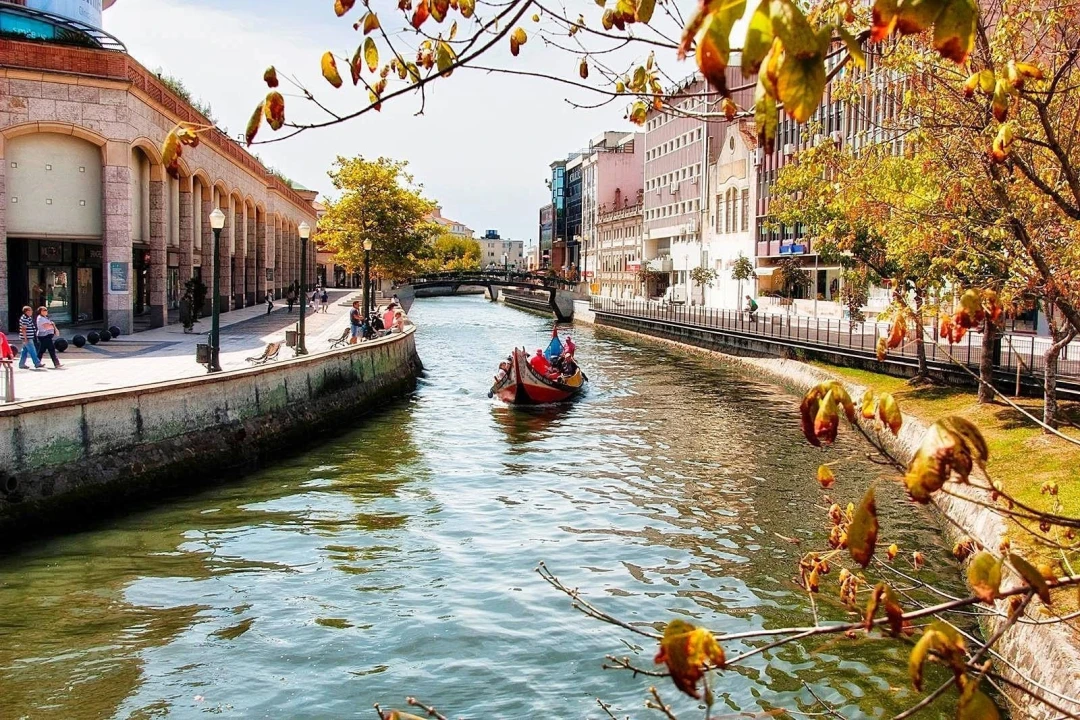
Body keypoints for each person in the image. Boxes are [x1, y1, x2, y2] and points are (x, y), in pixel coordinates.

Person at [17, 305, 44, 370]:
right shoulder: (25, 318)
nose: (32, 311)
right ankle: (37, 363)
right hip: (27, 338)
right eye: (30, 310)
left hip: (29, 337)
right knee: (32, 350)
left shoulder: (28, 317)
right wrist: (25, 338)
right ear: (27, 311)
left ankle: (21, 364)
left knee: (24, 351)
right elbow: (24, 329)